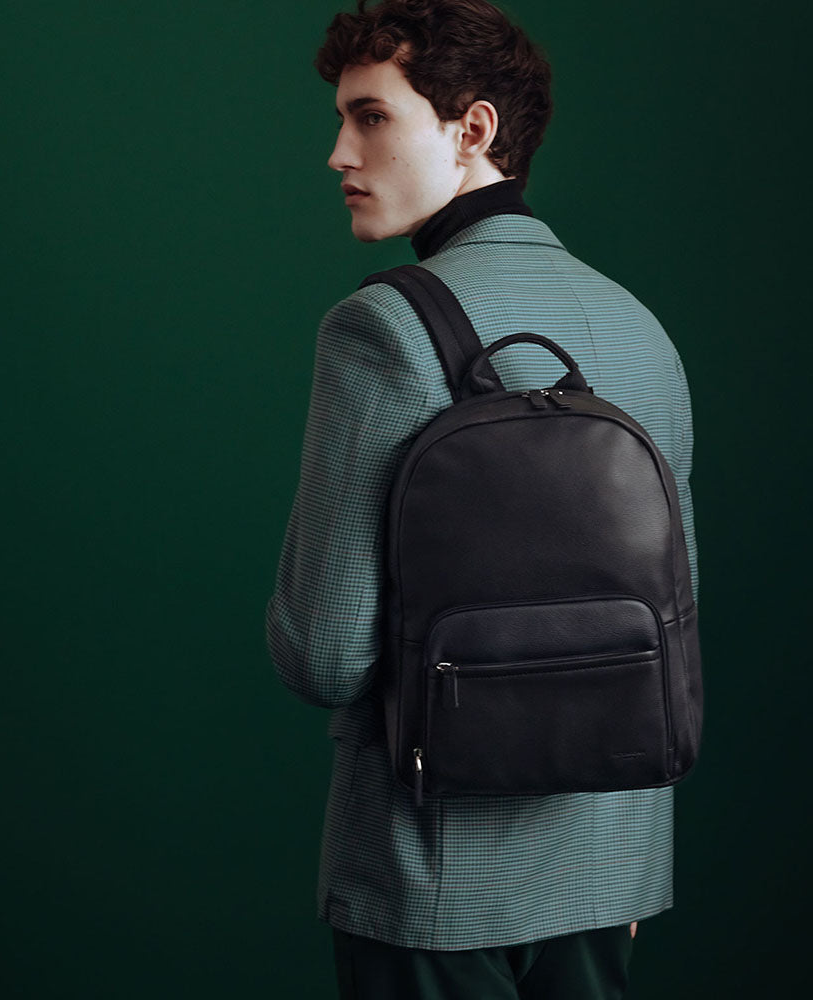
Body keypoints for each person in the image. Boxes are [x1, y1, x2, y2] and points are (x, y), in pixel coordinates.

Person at [266, 1, 699, 997]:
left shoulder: (380, 329)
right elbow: (672, 626)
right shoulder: (640, 329)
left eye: (371, 116)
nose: (338, 153)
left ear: (473, 129)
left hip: (431, 877)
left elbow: (324, 655)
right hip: (610, 868)